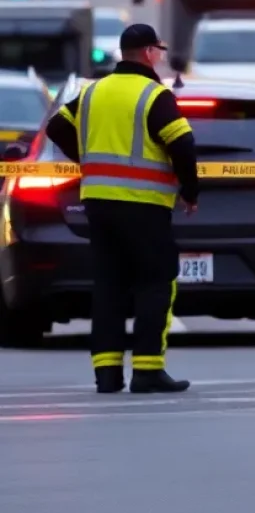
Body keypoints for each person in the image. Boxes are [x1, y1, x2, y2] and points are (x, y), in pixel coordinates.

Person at [45, 24, 199, 395]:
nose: (160, 57)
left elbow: (56, 127)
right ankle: (147, 369)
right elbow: (182, 142)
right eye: (158, 51)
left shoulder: (94, 92)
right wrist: (190, 190)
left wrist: (86, 160)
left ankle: (108, 374)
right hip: (144, 205)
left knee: (109, 285)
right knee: (154, 281)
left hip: (98, 203)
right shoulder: (153, 94)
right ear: (148, 52)